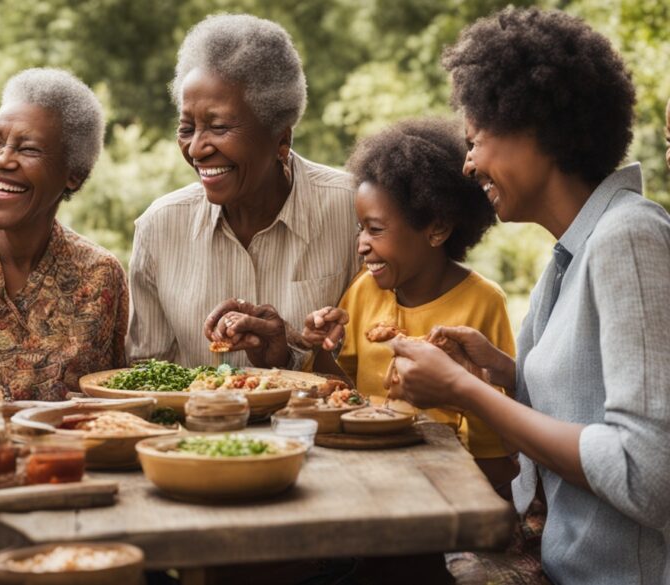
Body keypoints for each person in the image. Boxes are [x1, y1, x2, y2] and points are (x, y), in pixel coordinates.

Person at [388, 8, 670, 584]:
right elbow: (592, 400)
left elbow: (648, 473)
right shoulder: (571, 252)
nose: (468, 165)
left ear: (535, 125)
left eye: (476, 141)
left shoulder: (629, 237)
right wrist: (504, 373)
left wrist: (465, 391)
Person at [128, 13, 360, 370]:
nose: (195, 149)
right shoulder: (159, 228)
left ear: (281, 138)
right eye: (187, 128)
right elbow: (145, 375)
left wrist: (286, 359)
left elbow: (377, 370)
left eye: (218, 127)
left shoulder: (353, 211)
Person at [302, 118, 519, 493]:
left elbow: (494, 447)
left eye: (376, 229)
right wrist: (323, 346)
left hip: (447, 485)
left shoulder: (483, 302)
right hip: (365, 474)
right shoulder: (364, 291)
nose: (361, 245)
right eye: (360, 229)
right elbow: (340, 393)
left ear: (437, 229)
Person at [0, 69, 127, 401]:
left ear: (73, 176)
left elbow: (114, 401)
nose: (2, 159)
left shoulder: (100, 276)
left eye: (29, 149)